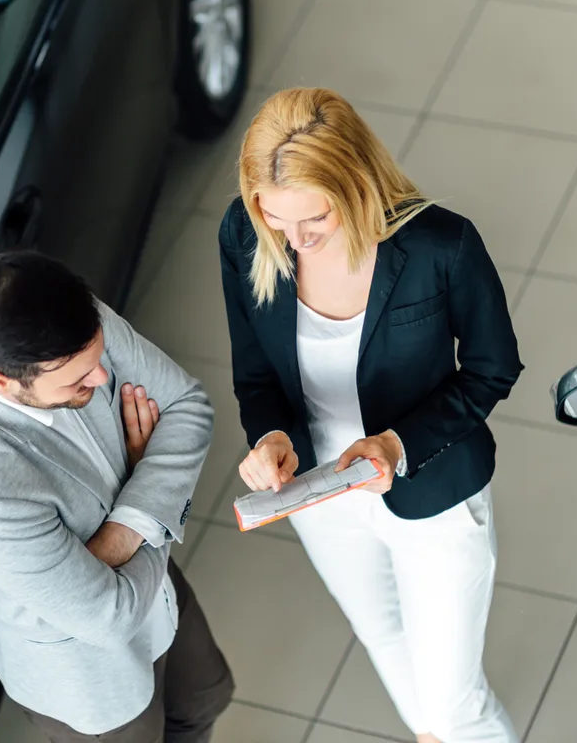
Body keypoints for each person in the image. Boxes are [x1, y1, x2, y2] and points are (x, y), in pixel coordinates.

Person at [218, 88, 523, 743]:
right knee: (384, 633)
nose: (293, 244)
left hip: (431, 493)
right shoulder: (244, 236)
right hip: (320, 494)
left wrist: (396, 444)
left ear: (354, 184)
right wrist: (270, 434)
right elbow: (255, 374)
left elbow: (493, 368)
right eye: (276, 221)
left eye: (313, 224)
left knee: (452, 707)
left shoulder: (441, 246)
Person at [0, 250, 233, 742]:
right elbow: (109, 618)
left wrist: (129, 520)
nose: (102, 377)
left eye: (97, 358)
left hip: (151, 584)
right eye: (77, 380)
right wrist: (149, 491)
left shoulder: (66, 323)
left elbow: (187, 406)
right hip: (86, 669)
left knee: (207, 697)